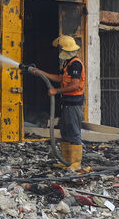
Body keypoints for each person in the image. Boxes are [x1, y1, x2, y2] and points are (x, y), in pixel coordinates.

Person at [28, 35, 84, 170]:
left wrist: (56, 91)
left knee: (73, 131)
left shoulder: (75, 64)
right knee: (65, 131)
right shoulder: (67, 64)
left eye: (61, 48)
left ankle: (76, 163)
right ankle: (66, 161)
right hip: (66, 103)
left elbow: (75, 85)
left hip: (73, 103)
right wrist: (40, 72)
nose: (59, 51)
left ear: (66, 49)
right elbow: (59, 78)